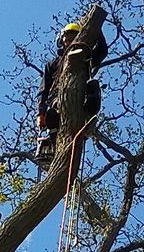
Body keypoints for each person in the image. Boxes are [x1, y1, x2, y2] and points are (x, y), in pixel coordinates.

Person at [35, 12, 110, 167]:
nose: (68, 42)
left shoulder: (85, 57)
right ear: (61, 41)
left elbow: (102, 51)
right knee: (52, 113)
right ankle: (53, 143)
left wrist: (97, 29)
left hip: (80, 95)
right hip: (57, 99)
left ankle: (87, 119)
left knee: (93, 86)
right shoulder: (52, 65)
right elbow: (43, 90)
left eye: (72, 39)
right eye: (66, 39)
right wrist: (40, 113)